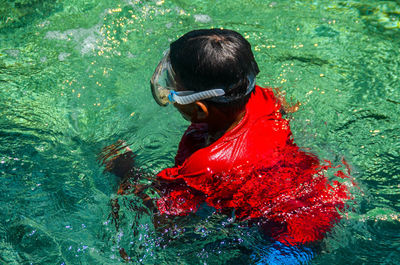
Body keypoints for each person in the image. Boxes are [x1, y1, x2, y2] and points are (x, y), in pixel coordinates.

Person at [99, 29, 351, 249]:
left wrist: (125, 171)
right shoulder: (264, 99)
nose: (168, 90)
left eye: (172, 87)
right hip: (326, 198)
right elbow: (286, 107)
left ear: (199, 110)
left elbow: (160, 220)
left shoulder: (204, 165)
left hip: (287, 239)